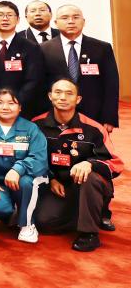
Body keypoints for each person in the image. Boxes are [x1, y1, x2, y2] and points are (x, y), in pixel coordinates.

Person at [33, 79, 123, 251]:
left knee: (89, 177)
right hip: (59, 186)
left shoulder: (94, 128)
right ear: (50, 96)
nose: (63, 97)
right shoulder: (37, 125)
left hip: (89, 184)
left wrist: (90, 164)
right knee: (44, 222)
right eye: (58, 92)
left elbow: (116, 164)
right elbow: (34, 159)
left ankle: (89, 234)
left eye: (69, 93)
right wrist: (51, 179)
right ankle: (86, 214)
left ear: (78, 99)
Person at [0, 88, 48, 243]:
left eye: (11, 103)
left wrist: (18, 169)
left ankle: (27, 224)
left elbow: (39, 158)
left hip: (23, 180)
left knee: (27, 182)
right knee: (2, 209)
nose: (5, 107)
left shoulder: (31, 128)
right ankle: (14, 211)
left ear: (20, 107)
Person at [41, 4, 119, 131]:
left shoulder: (102, 48)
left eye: (76, 17)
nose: (71, 21)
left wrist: (109, 118)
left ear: (84, 21)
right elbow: (40, 84)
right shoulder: (44, 49)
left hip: (94, 115)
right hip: (56, 114)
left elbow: (111, 84)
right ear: (56, 23)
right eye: (65, 18)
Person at [0, 1, 45, 118]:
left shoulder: (31, 47)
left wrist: (14, 104)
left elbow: (33, 81)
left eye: (10, 15)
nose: (5, 18)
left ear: (18, 19)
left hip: (20, 109)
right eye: (1, 15)